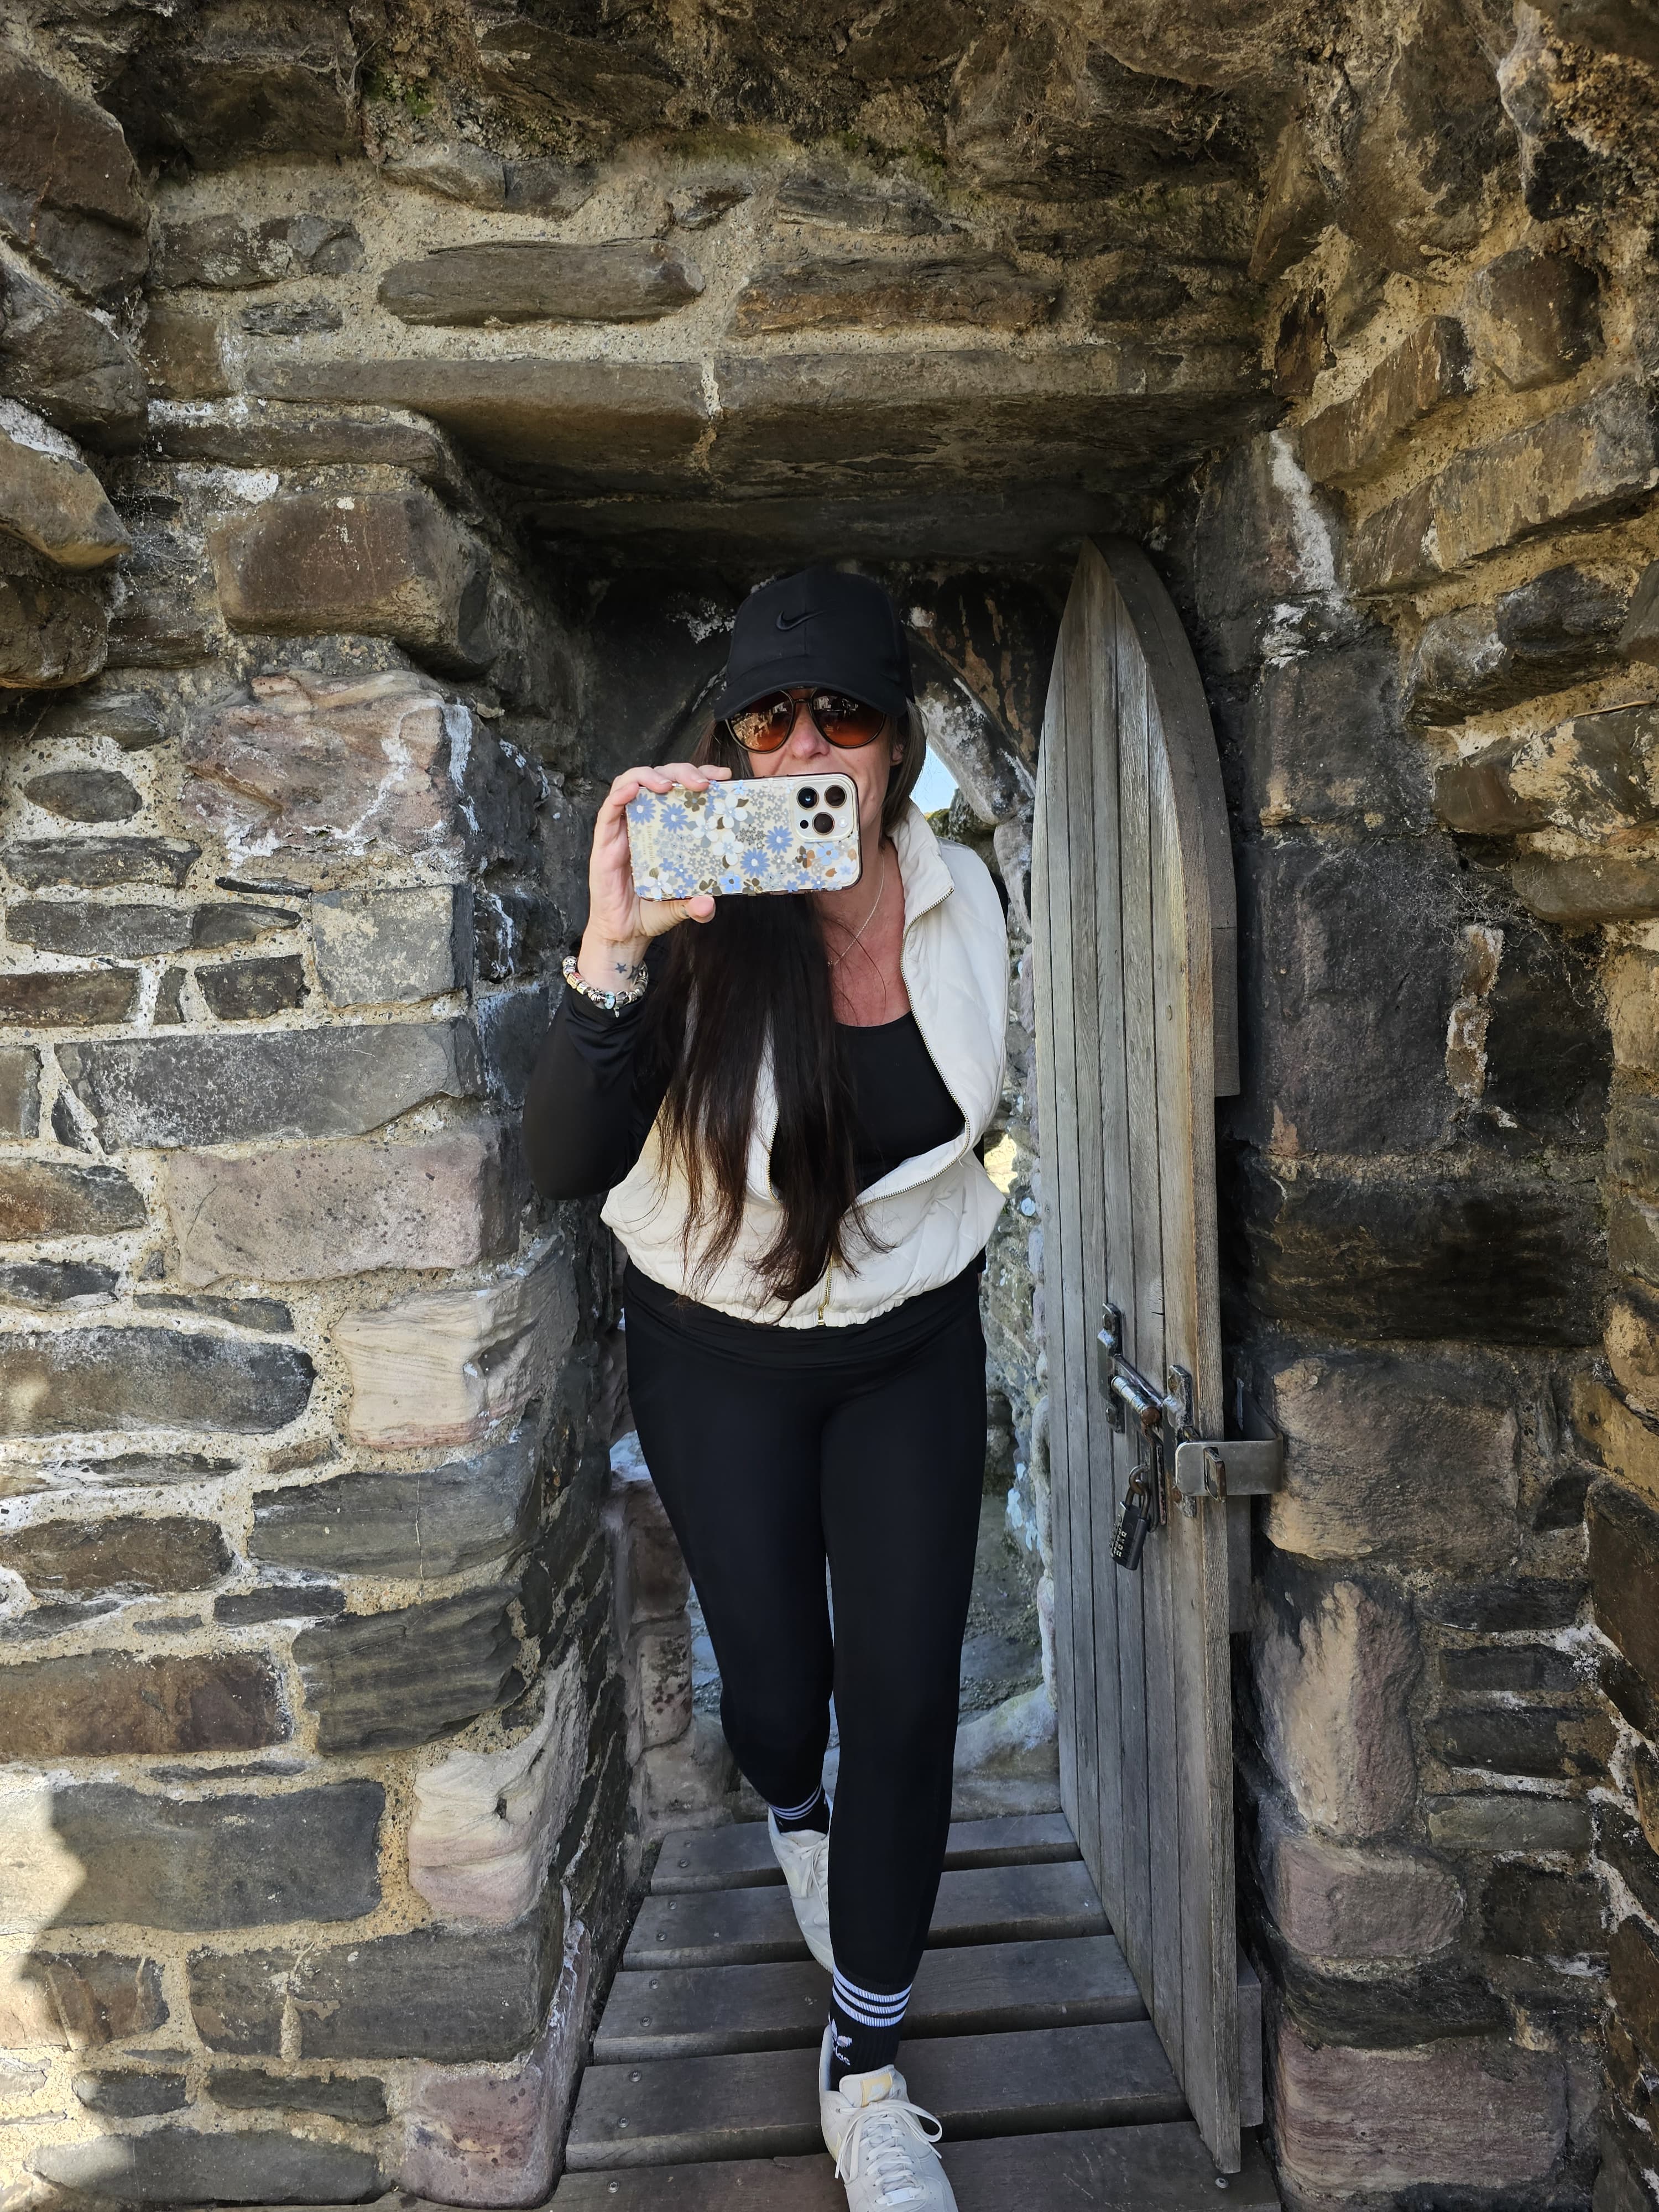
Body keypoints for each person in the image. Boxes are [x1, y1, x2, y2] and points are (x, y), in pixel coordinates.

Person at [523, 567, 1009, 2212]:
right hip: (715, 1357)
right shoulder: (698, 921)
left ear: (898, 744)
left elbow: (998, 1105)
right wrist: (610, 948)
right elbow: (565, 1162)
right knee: (781, 1696)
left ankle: (866, 2068)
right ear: (731, 748)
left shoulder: (970, 901)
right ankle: (792, 1805)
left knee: (911, 1696)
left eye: (844, 714)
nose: (805, 743)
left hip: (914, 1352)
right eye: (769, 717)